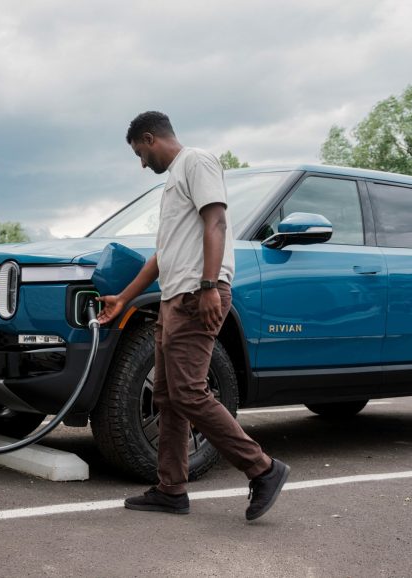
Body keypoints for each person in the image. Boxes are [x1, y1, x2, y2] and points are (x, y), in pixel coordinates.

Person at [96, 111, 289, 521]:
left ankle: (263, 469)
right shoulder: (173, 186)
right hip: (174, 298)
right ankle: (170, 489)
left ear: (150, 138)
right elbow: (162, 256)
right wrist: (124, 300)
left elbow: (216, 220)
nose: (142, 163)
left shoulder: (197, 161)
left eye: (139, 153)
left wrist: (208, 284)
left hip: (195, 295)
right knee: (168, 398)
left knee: (188, 392)